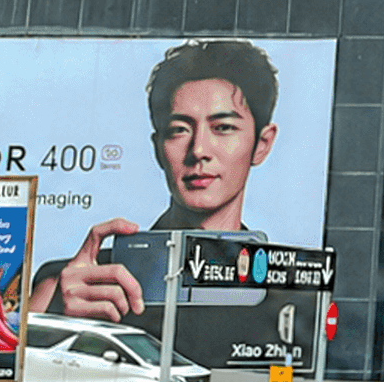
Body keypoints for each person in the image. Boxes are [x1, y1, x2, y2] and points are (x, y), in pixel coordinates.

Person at [28, 40, 280, 322]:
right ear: (158, 147)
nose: (198, 150)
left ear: (263, 143)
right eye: (178, 130)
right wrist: (53, 320)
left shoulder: (285, 293)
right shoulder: (85, 285)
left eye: (223, 128)